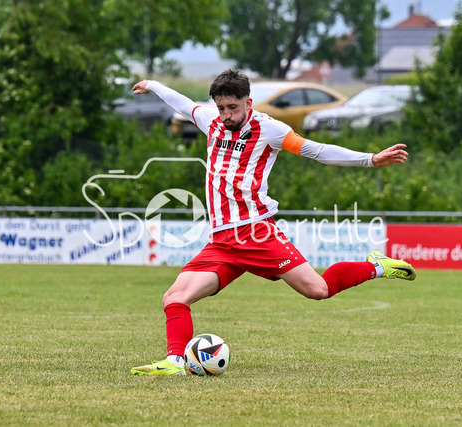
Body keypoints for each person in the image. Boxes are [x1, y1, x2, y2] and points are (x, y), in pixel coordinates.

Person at [130, 69, 416, 376]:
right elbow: (183, 103)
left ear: (248, 103)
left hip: (257, 232)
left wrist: (370, 159)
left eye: (233, 108)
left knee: (317, 289)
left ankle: (377, 266)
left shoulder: (269, 130)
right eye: (221, 108)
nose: (226, 115)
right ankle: (175, 361)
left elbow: (317, 151)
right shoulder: (211, 121)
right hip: (222, 242)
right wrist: (153, 85)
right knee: (174, 297)